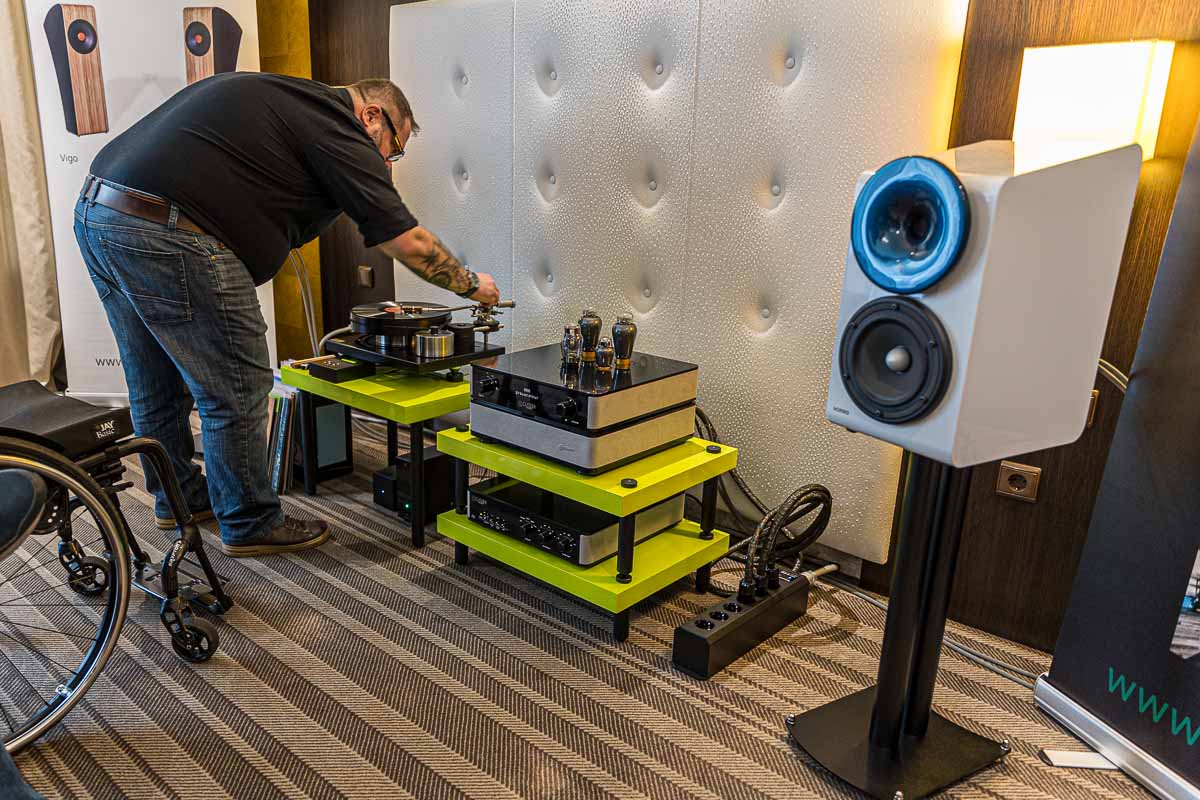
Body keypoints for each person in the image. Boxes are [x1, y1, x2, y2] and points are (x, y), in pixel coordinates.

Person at [73, 73, 498, 557]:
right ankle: (249, 520)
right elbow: (403, 240)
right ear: (372, 115)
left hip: (99, 214)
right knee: (238, 385)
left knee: (154, 380)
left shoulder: (296, 103)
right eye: (392, 149)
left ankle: (178, 499)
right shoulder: (338, 125)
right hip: (168, 230)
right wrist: (471, 285)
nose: (385, 163)